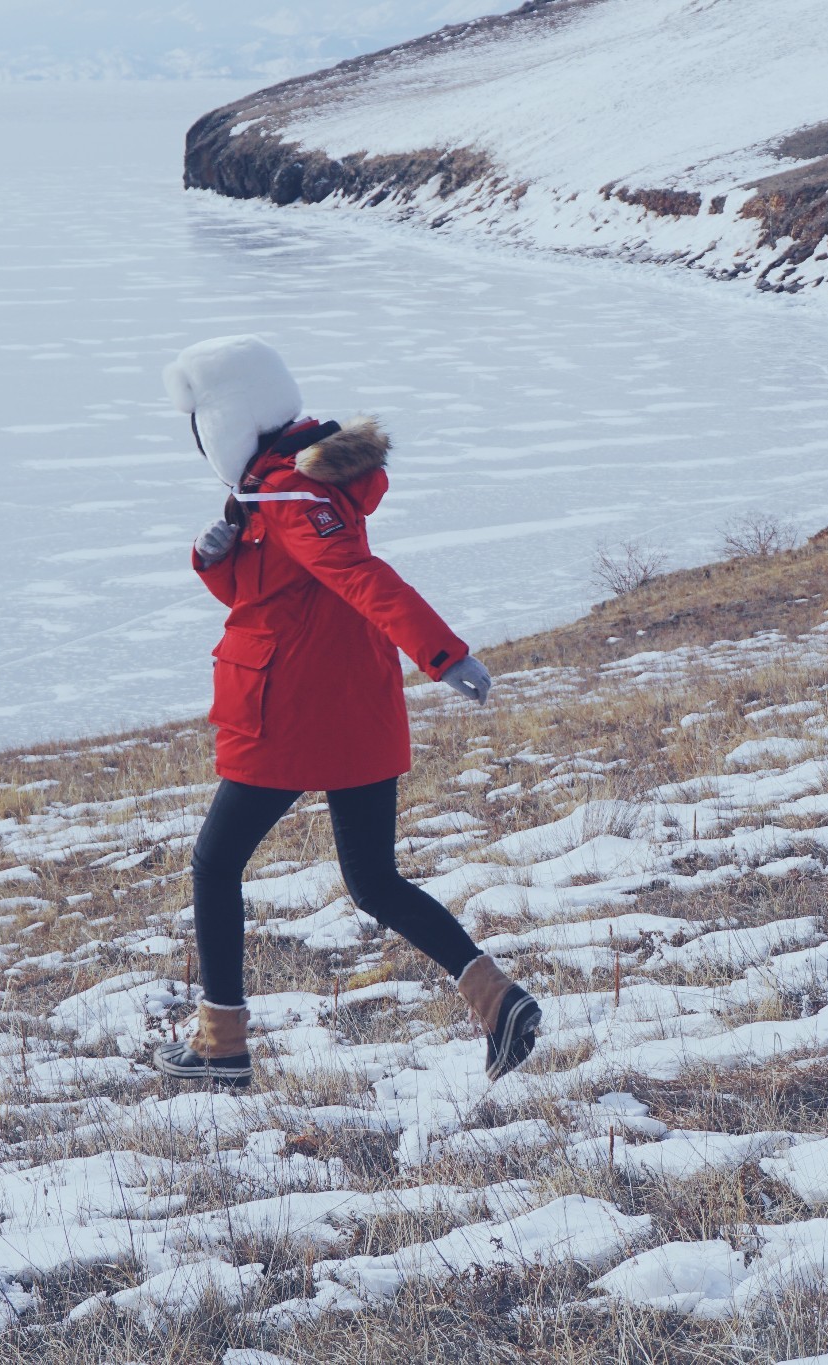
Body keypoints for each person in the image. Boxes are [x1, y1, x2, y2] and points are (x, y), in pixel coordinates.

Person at [150, 334, 538, 1087]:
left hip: (292, 718)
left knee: (214, 863)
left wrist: (444, 655)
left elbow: (361, 576)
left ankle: (221, 1042)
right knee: (373, 882)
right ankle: (500, 1002)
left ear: (228, 420)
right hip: (350, 709)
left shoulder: (292, 498)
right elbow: (265, 594)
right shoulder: (284, 486)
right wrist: (214, 554)